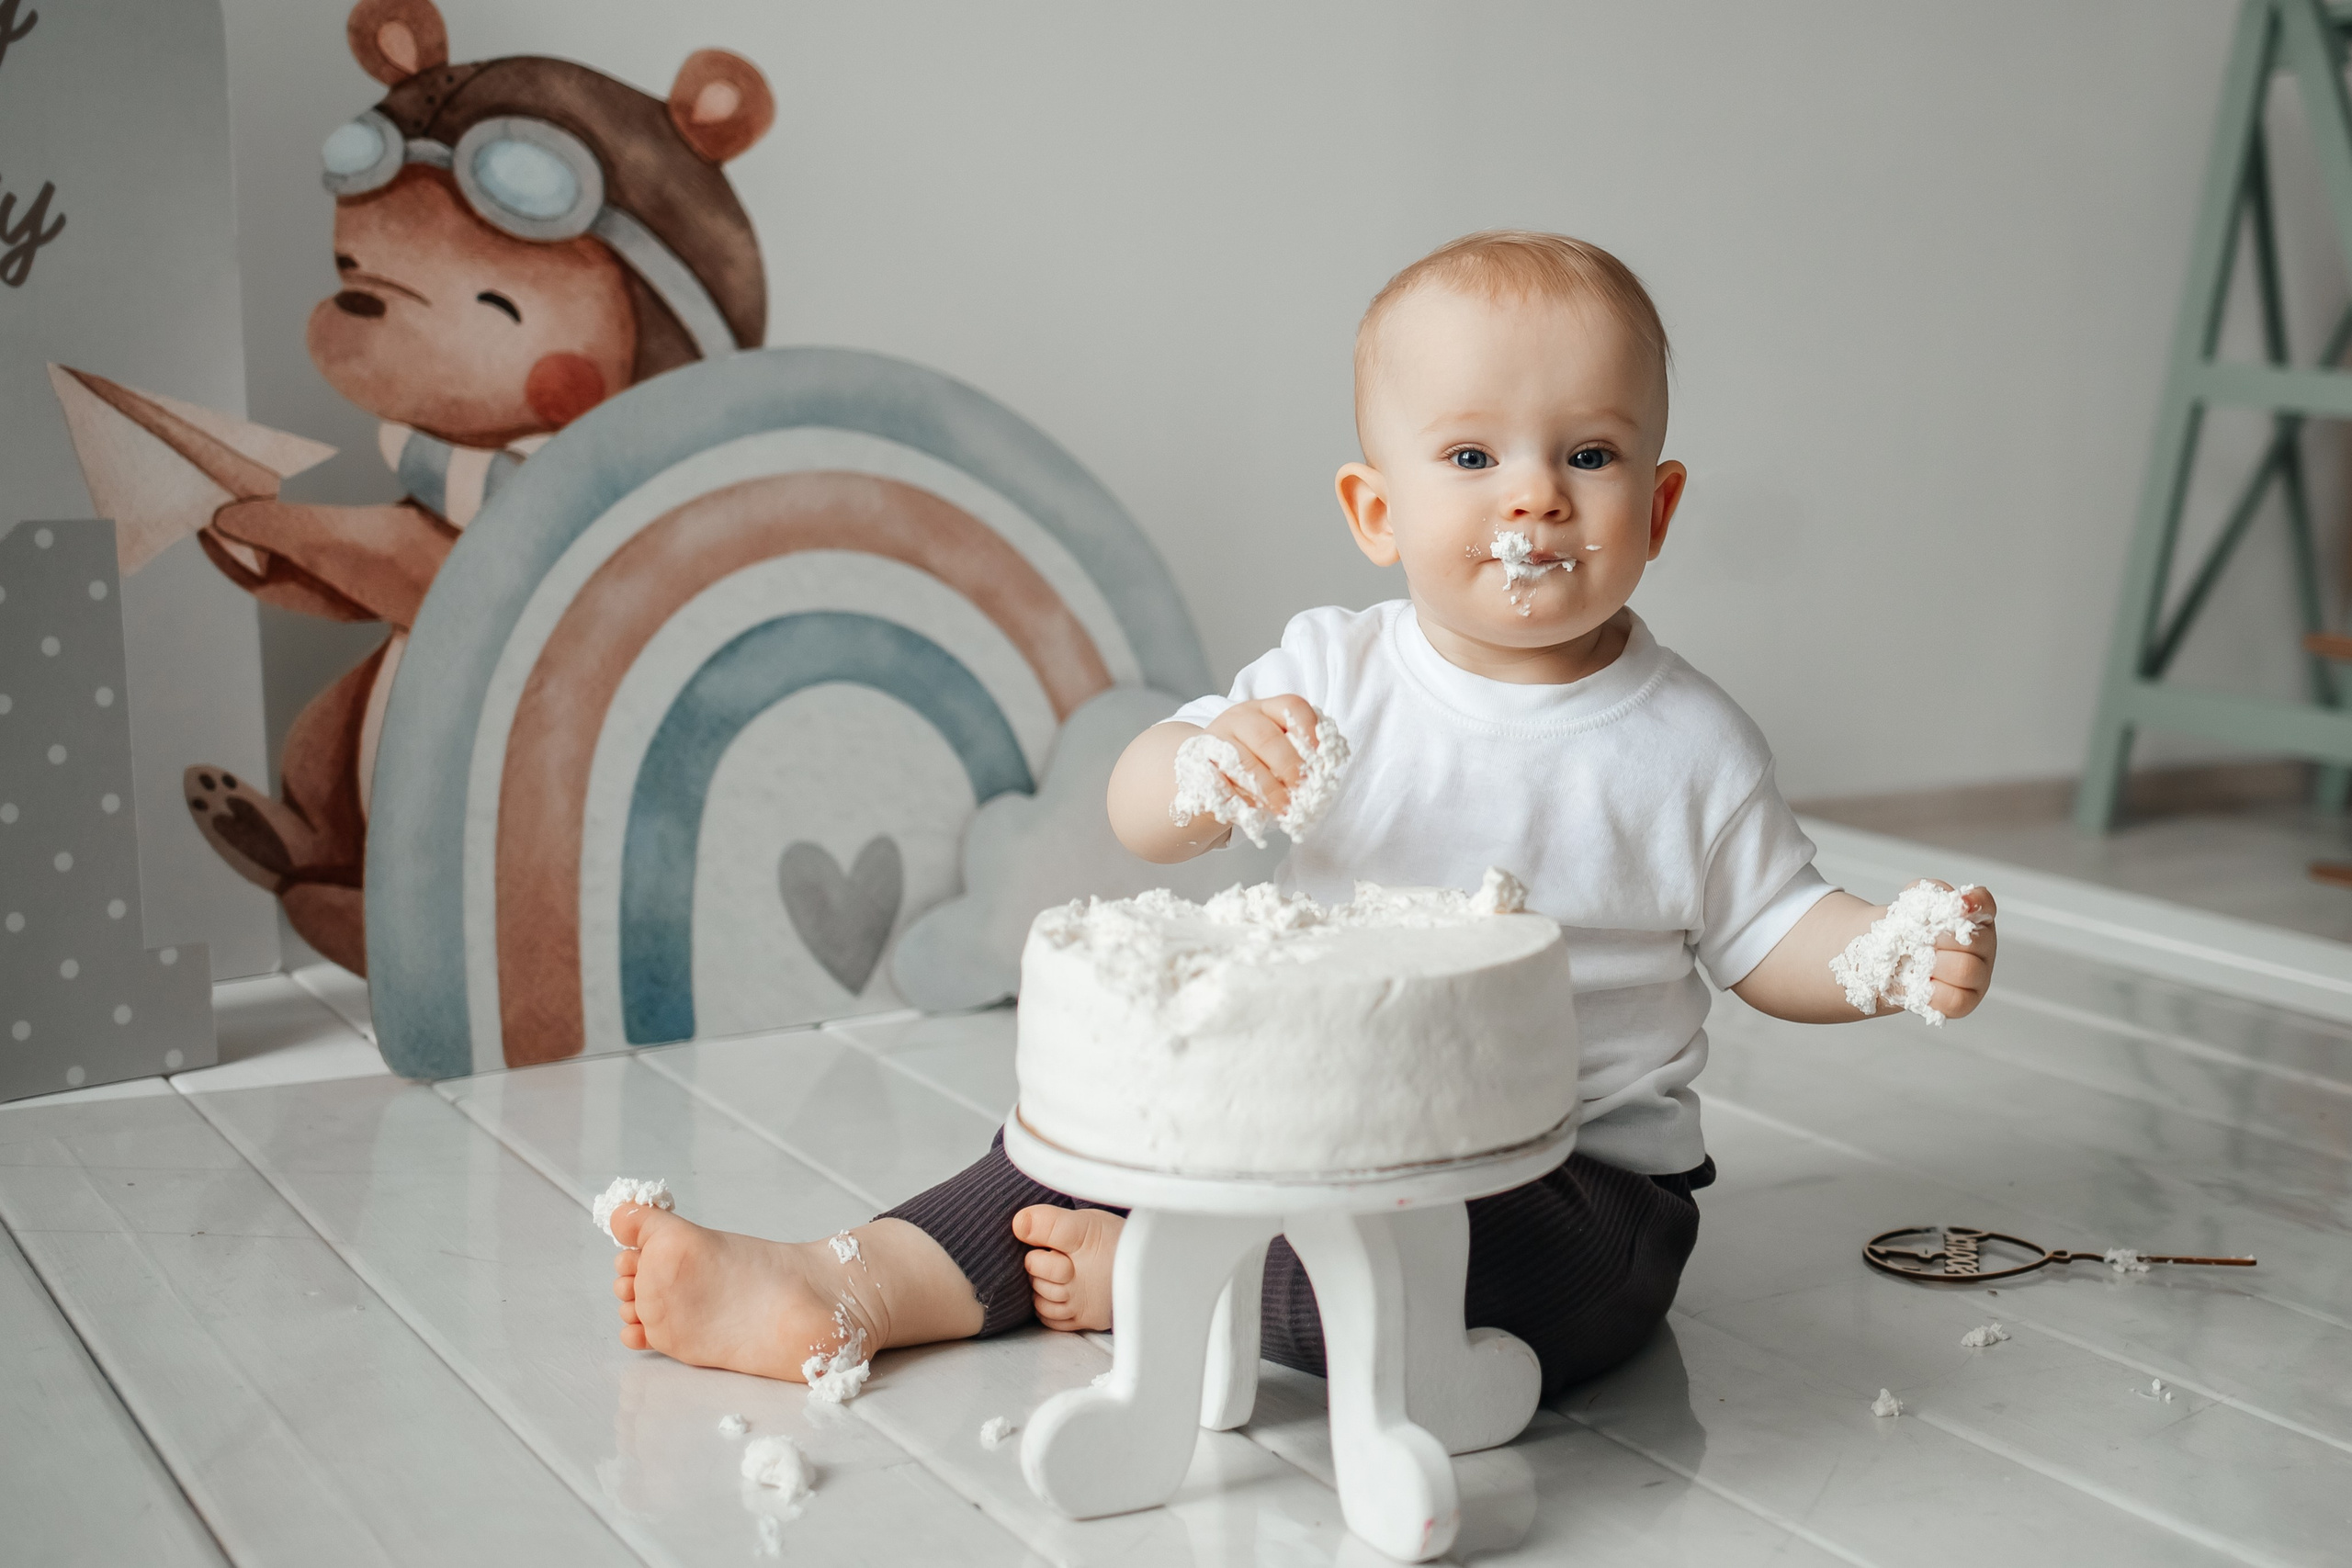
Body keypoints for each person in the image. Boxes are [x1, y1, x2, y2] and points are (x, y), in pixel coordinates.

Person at [606, 230, 1998, 1395]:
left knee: (1521, 1283)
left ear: (1661, 505)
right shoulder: (1334, 675)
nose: (1533, 494)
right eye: (1472, 457)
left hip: (1570, 1173)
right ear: (1375, 510)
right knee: (1073, 1150)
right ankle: (848, 1282)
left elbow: (1774, 934)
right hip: (1311, 1117)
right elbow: (1142, 810)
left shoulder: (1686, 743)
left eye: (1588, 454)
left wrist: (1882, 951)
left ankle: (1182, 1296)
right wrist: (1205, 764)